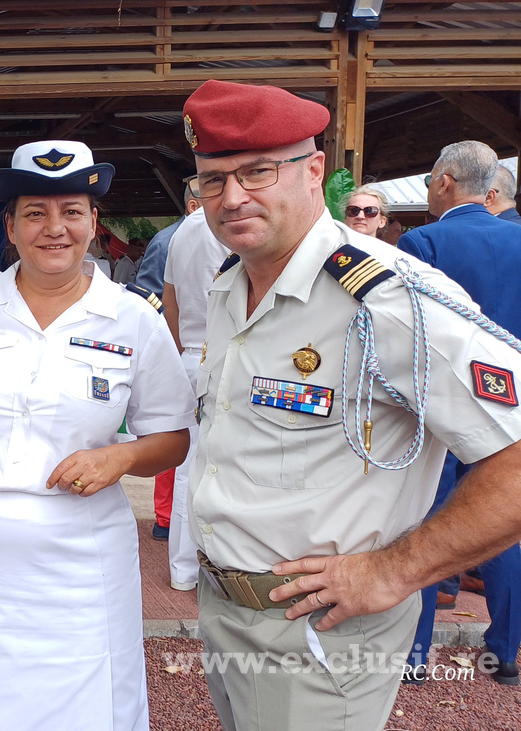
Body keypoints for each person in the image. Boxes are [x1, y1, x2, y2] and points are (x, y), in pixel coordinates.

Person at [182, 79, 521, 729]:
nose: (232, 197)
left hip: (321, 635)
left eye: (256, 171)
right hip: (229, 614)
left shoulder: (387, 297)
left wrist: (397, 570)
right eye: (212, 179)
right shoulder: (232, 284)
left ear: (314, 172)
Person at [0, 139, 193, 731]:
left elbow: (176, 437)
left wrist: (122, 456)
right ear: (9, 226)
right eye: (35, 213)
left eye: (71, 212)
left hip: (83, 560)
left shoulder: (134, 316)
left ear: (94, 222)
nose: (54, 229)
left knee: (90, 706)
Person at [397, 141, 521, 685]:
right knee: (502, 524)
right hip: (510, 400)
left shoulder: (422, 240)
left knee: (430, 518)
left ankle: (415, 655)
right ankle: (506, 652)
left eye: (429, 180)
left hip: (441, 400)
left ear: (445, 181)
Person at [160, 203, 229, 592]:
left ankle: (183, 569)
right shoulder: (233, 223)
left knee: (190, 467)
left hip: (189, 352)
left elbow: (170, 299)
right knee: (222, 469)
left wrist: (179, 351)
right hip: (222, 352)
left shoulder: (185, 228)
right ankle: (209, 571)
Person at [135, 182, 200, 541]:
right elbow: (150, 298)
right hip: (179, 351)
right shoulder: (169, 239)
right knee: (169, 433)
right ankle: (164, 516)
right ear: (193, 203)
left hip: (204, 353)